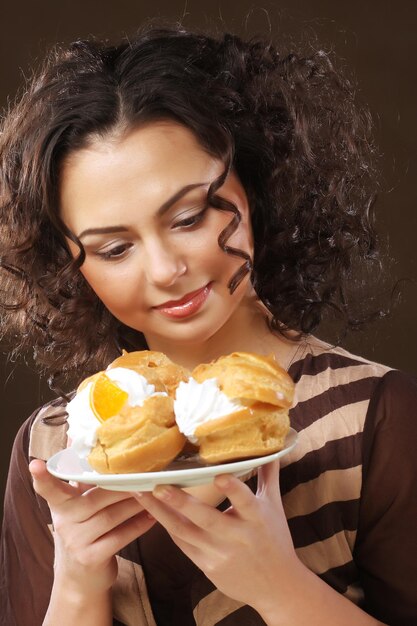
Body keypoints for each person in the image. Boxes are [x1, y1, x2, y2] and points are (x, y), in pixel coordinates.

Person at [0, 23, 416, 626]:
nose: (168, 269)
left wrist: (280, 589)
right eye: (115, 249)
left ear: (257, 184)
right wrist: (77, 585)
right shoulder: (54, 452)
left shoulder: (379, 419)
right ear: (69, 268)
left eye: (190, 216)